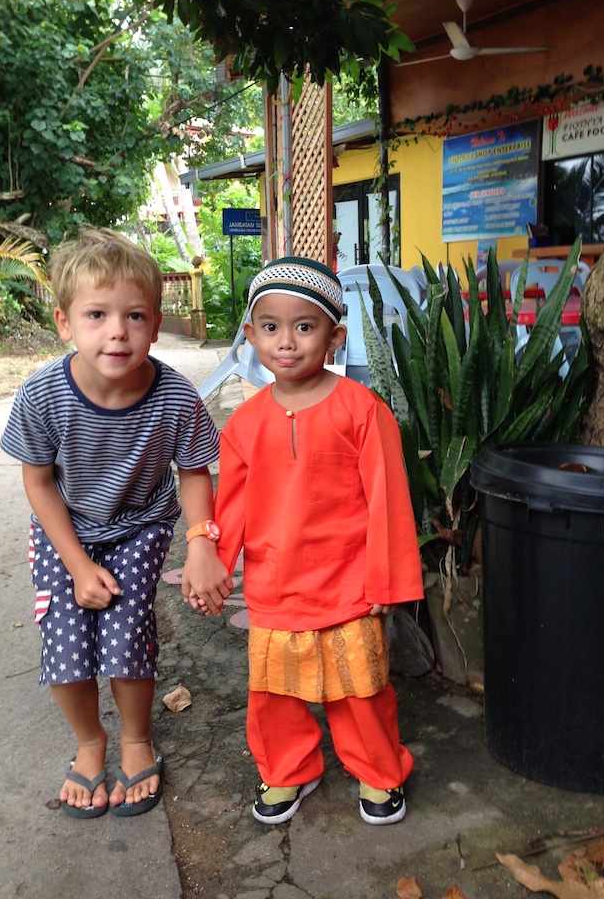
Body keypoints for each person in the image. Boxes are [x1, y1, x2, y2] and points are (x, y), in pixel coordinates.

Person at [1, 227, 231, 818]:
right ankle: (89, 742)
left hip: (140, 526)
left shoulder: (176, 398)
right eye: (97, 314)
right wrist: (76, 563)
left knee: (128, 633)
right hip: (65, 530)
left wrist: (202, 544)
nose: (116, 331)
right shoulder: (41, 396)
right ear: (64, 323)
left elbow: (195, 470)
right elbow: (38, 482)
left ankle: (133, 738)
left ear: (155, 324)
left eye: (134, 316)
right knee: (66, 641)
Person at [186, 256, 423, 827]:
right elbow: (233, 507)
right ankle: (288, 771)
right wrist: (215, 566)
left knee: (360, 690)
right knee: (275, 695)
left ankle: (377, 771)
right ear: (250, 336)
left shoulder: (362, 411)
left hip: (348, 582)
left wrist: (386, 581)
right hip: (274, 586)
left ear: (335, 336)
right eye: (269, 327)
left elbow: (388, 499)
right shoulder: (244, 425)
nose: (285, 342)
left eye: (304, 326)